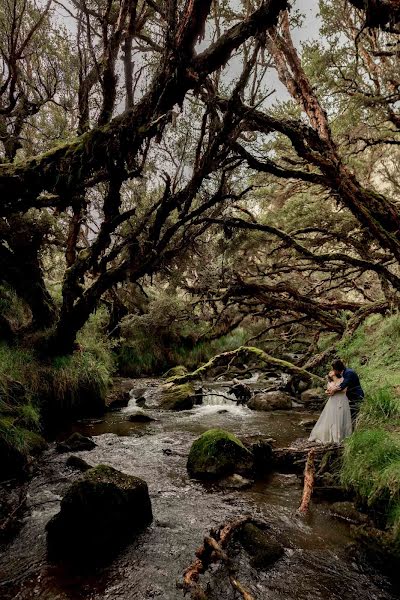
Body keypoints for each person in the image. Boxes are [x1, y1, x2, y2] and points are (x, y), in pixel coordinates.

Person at [309, 370, 352, 444]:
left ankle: (341, 436)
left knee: (341, 416)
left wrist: (334, 389)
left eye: (331, 371)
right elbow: (331, 393)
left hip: (342, 400)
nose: (330, 372)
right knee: (332, 417)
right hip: (333, 401)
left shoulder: (343, 379)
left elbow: (344, 390)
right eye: (329, 372)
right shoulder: (330, 383)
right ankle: (333, 435)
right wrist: (331, 391)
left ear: (336, 372)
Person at [329, 359, 364, 423]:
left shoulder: (349, 373)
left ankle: (355, 430)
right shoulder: (342, 373)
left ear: (337, 369)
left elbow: (343, 386)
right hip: (349, 397)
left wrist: (333, 390)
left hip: (356, 396)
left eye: (333, 369)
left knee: (354, 415)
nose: (333, 371)